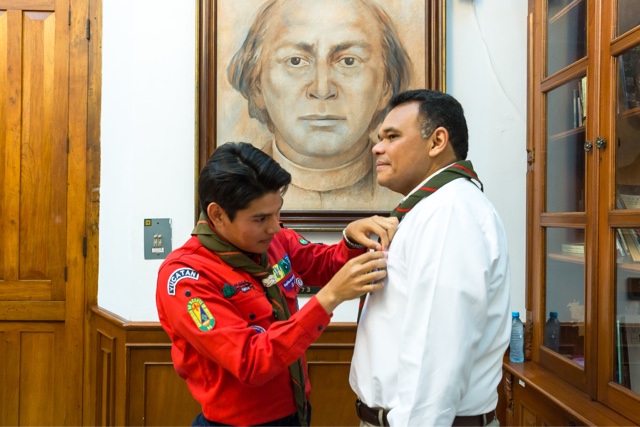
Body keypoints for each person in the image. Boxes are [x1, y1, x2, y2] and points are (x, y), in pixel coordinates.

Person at [156, 142, 397, 426]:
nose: (274, 225)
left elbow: (322, 264)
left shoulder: (272, 240)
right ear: (217, 214)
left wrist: (352, 239)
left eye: (277, 212)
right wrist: (329, 299)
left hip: (297, 412)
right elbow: (250, 361)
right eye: (260, 218)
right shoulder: (187, 276)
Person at [349, 90, 511, 426]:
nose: (377, 148)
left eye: (392, 137)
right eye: (380, 138)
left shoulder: (448, 213)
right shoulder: (432, 209)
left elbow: (436, 354)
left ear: (437, 141)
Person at [227, 0, 412, 210]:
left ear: (386, 86)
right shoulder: (232, 192)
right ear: (257, 84)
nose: (322, 89)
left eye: (349, 61)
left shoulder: (409, 194)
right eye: (295, 61)